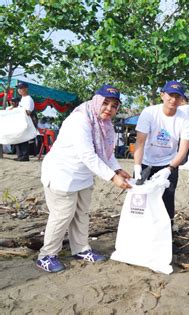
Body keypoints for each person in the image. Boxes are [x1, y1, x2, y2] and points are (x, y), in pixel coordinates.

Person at [36, 85, 132, 273]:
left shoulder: (104, 124)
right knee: (62, 216)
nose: (109, 109)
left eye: (114, 106)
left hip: (83, 176)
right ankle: (46, 256)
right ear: (96, 100)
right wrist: (113, 177)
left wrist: (118, 168)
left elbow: (106, 152)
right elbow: (87, 155)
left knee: (81, 214)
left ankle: (80, 249)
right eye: (105, 103)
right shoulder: (80, 119)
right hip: (63, 174)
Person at [133, 81, 189, 225]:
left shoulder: (185, 119)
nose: (173, 100)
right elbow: (140, 143)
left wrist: (170, 169)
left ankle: (167, 231)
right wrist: (137, 166)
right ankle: (138, 228)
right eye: (170, 95)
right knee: (139, 200)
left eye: (177, 97)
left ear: (181, 99)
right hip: (146, 161)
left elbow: (183, 150)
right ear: (162, 95)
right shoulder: (149, 113)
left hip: (169, 163)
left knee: (167, 198)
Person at [14, 82, 35, 161]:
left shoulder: (29, 99)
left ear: (26, 89)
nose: (19, 90)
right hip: (20, 121)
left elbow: (28, 112)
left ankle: (25, 156)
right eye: (18, 88)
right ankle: (20, 156)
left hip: (26, 121)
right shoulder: (22, 99)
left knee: (23, 139)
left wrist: (19, 111)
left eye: (21, 88)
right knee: (18, 138)